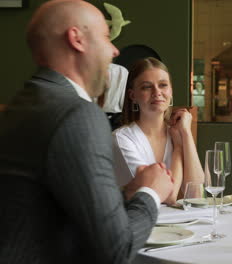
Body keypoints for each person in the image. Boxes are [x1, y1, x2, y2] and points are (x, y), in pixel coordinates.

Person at [0, 1, 174, 263]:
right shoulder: (78, 114)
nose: (114, 50)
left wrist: (127, 193)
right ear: (77, 39)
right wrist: (151, 192)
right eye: (106, 36)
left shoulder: (25, 103)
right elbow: (117, 250)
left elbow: (52, 204)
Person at [113, 57, 204, 204]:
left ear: (171, 92)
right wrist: (179, 148)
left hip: (174, 225)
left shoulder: (176, 133)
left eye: (163, 85)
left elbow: (197, 194)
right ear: (132, 96)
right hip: (137, 225)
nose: (157, 92)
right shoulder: (122, 139)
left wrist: (186, 133)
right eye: (146, 87)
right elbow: (167, 197)